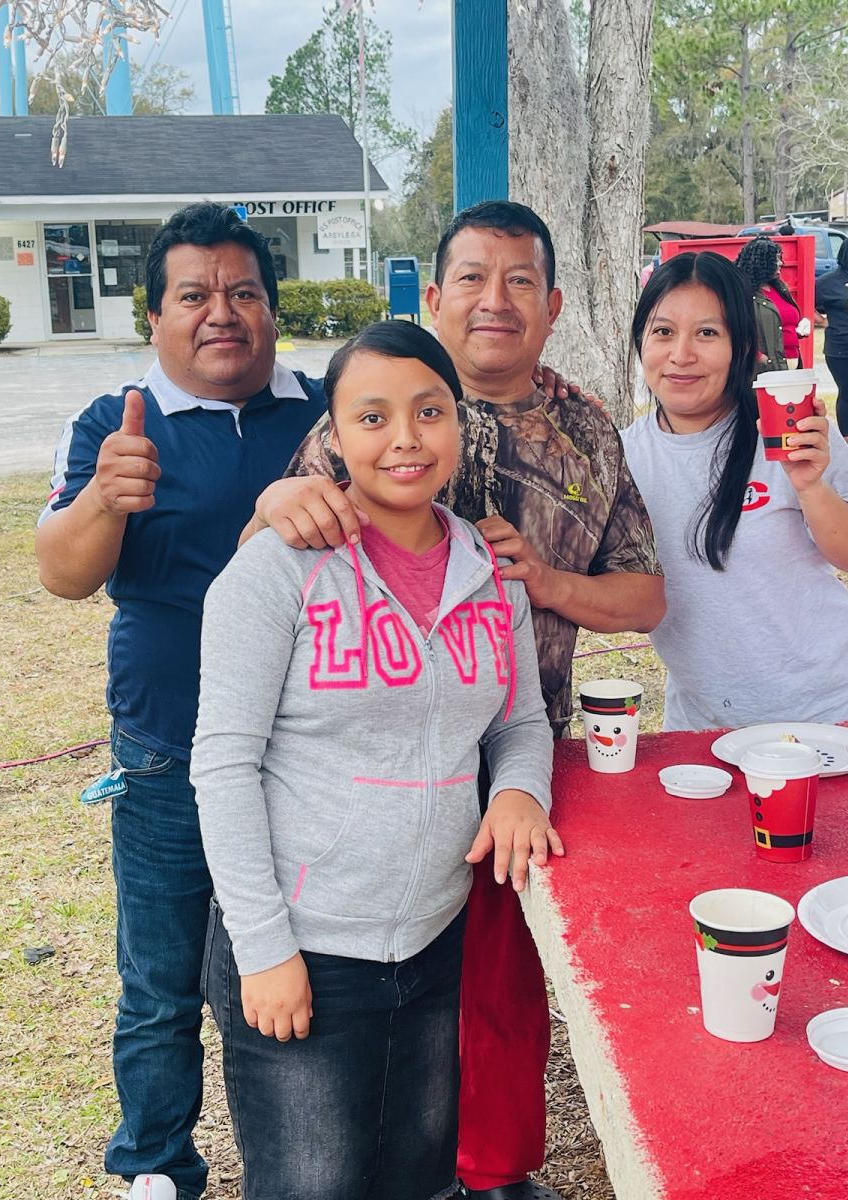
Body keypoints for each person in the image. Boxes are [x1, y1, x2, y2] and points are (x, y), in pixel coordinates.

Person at [244, 200, 666, 1200]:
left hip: (520, 757)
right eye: (472, 277)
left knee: (499, 990)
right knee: (396, 999)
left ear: (555, 305)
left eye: (521, 280)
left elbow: (645, 592)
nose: (496, 299)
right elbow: (271, 565)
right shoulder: (365, 416)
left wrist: (551, 585)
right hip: (366, 774)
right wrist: (271, 507)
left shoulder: (585, 429)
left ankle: (498, 1168)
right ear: (434, 297)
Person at [190, 320, 557, 1200]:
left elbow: (521, 722)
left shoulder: (485, 564)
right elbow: (223, 767)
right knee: (312, 1186)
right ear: (334, 435)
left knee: (421, 1179)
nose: (404, 439)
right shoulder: (278, 570)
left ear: (458, 425)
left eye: (429, 412)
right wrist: (265, 950)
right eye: (372, 416)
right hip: (307, 951)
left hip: (437, 940)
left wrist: (516, 792)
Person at [34, 202, 328, 1200]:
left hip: (304, 753)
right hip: (166, 749)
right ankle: (156, 1162)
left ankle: (295, 1155)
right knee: (159, 987)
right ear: (153, 316)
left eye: (244, 292)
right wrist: (101, 500)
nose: (222, 313)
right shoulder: (115, 423)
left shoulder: (323, 412)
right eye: (193, 295)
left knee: (287, 970)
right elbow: (64, 575)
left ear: (274, 313)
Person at [622, 250, 848, 732]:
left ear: (742, 345)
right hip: (703, 730)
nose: (681, 355)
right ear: (641, 342)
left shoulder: (792, 431)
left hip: (833, 716)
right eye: (663, 331)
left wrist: (811, 486)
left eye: (707, 333)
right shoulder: (621, 458)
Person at [815, 235, 848, 452]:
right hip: (843, 350)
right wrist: (822, 321)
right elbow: (807, 304)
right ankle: (847, 440)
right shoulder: (828, 282)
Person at [735, 236, 809, 371]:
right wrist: (759, 357)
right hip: (765, 370)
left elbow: (778, 325)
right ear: (761, 263)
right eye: (776, 259)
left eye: (780, 258)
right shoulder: (742, 294)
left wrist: (799, 329)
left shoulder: (780, 288)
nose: (781, 263)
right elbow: (734, 333)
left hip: (792, 363)